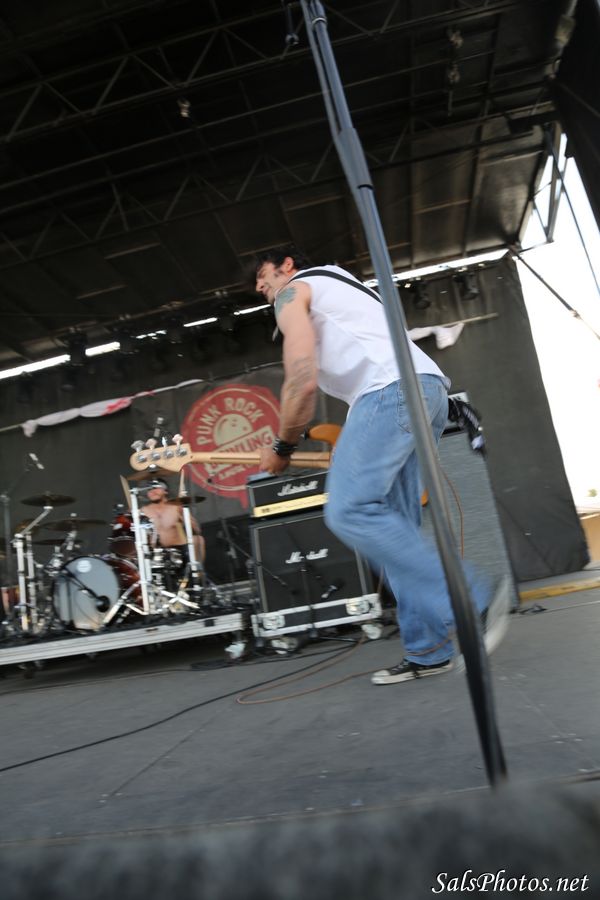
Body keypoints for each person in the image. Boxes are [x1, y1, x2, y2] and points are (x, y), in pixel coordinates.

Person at [254, 244, 509, 685]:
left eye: (263, 276)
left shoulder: (293, 292)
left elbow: (301, 379)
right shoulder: (345, 285)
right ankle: (428, 650)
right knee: (393, 530)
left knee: (349, 511)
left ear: (287, 266)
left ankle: (471, 601)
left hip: (390, 393)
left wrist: (281, 447)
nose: (261, 287)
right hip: (424, 391)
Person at [142, 479, 206, 566]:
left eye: (156, 488)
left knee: (198, 539)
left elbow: (197, 530)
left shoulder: (175, 507)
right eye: (149, 489)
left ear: (165, 491)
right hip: (156, 553)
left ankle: (197, 571)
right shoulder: (143, 511)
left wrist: (185, 511)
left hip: (179, 550)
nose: (152, 491)